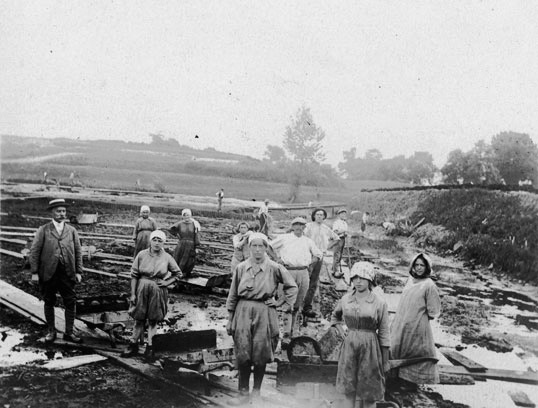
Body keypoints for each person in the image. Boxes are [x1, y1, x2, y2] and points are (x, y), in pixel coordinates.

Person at [226, 233, 297, 405]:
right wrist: (230, 318)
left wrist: (278, 302)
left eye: (261, 246)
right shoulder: (241, 267)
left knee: (261, 352)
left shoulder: (274, 267)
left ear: (266, 248)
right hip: (243, 309)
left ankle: (256, 392)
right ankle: (242, 392)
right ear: (249, 248)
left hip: (264, 311)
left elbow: (292, 287)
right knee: (243, 352)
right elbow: (233, 294)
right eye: (254, 246)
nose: (257, 250)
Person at [331, 262, 390, 408]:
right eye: (355, 277)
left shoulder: (379, 303)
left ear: (370, 280)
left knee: (369, 389)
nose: (358, 281)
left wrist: (385, 361)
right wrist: (341, 330)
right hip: (349, 345)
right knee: (348, 386)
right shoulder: (345, 299)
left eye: (362, 278)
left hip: (370, 346)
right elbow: (335, 317)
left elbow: (384, 333)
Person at [121, 230, 182, 361]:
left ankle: (150, 347)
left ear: (163, 243)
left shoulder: (167, 257)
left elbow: (178, 274)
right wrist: (133, 294)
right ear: (150, 240)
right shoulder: (142, 255)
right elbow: (134, 275)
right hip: (141, 288)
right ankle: (133, 345)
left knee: (153, 319)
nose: (156, 243)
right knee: (139, 318)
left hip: (157, 290)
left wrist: (166, 282)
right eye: (154, 240)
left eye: (160, 241)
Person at [29, 198, 84, 343]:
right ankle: (51, 331)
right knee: (49, 301)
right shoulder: (44, 230)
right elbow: (34, 252)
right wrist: (34, 272)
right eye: (58, 211)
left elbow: (78, 252)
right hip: (49, 273)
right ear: (52, 213)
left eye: (64, 211)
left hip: (67, 272)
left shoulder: (72, 231)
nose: (61, 214)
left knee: (70, 301)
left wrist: (78, 271)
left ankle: (69, 332)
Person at [390, 253, 441, 385]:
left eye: (422, 265)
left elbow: (433, 311)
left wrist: (419, 319)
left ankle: (413, 381)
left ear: (427, 267)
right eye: (416, 265)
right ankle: (398, 378)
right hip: (402, 322)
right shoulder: (410, 280)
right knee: (399, 348)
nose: (418, 268)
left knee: (415, 353)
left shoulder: (429, 285)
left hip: (417, 325)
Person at [269, 217, 322, 343]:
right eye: (296, 225)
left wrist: (310, 263)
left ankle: (293, 332)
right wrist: (277, 259)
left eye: (302, 225)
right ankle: (285, 334)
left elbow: (318, 255)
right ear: (292, 227)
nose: (299, 228)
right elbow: (268, 246)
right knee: (287, 304)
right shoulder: (285, 238)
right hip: (288, 271)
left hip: (303, 272)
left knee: (298, 304)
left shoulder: (308, 241)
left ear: (305, 228)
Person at [303, 208, 341, 318]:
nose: (319, 216)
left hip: (319, 257)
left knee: (314, 281)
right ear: (314, 216)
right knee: (304, 279)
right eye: (317, 214)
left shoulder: (326, 228)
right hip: (308, 256)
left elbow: (336, 239)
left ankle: (307, 306)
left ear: (324, 217)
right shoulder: (308, 227)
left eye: (321, 215)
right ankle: (298, 303)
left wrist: (326, 248)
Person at [169, 209, 200, 279]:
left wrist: (196, 246)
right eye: (184, 215)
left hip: (190, 244)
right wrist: (177, 235)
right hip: (181, 243)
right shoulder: (180, 223)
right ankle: (176, 273)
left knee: (188, 259)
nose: (186, 217)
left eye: (188, 215)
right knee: (178, 257)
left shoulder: (194, 224)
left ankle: (185, 273)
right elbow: (171, 229)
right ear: (182, 216)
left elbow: (196, 235)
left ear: (190, 215)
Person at [332, 208, 349, 278]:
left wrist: (345, 234)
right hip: (337, 239)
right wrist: (343, 231)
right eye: (342, 213)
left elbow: (345, 232)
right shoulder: (337, 222)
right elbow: (335, 232)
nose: (344, 215)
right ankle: (335, 271)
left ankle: (335, 269)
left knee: (340, 255)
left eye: (344, 213)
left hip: (343, 239)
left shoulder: (345, 223)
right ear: (339, 215)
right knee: (337, 255)